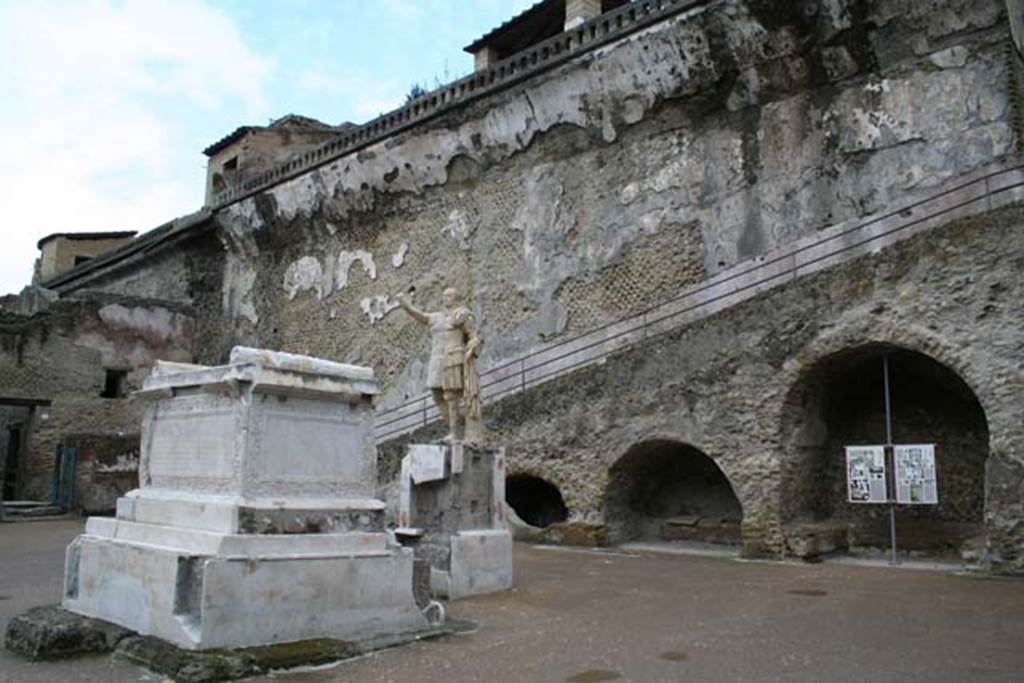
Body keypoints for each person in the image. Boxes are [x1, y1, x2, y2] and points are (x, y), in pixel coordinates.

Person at [396, 287, 483, 444]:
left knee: (451, 396)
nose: (445, 298)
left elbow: (473, 336)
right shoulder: (436, 317)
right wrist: (406, 305)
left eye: (449, 296)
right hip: (436, 359)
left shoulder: (462, 315)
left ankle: (454, 433)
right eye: (444, 296)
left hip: (453, 356)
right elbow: (420, 316)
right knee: (436, 394)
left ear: (456, 298)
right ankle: (455, 424)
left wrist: (472, 347)